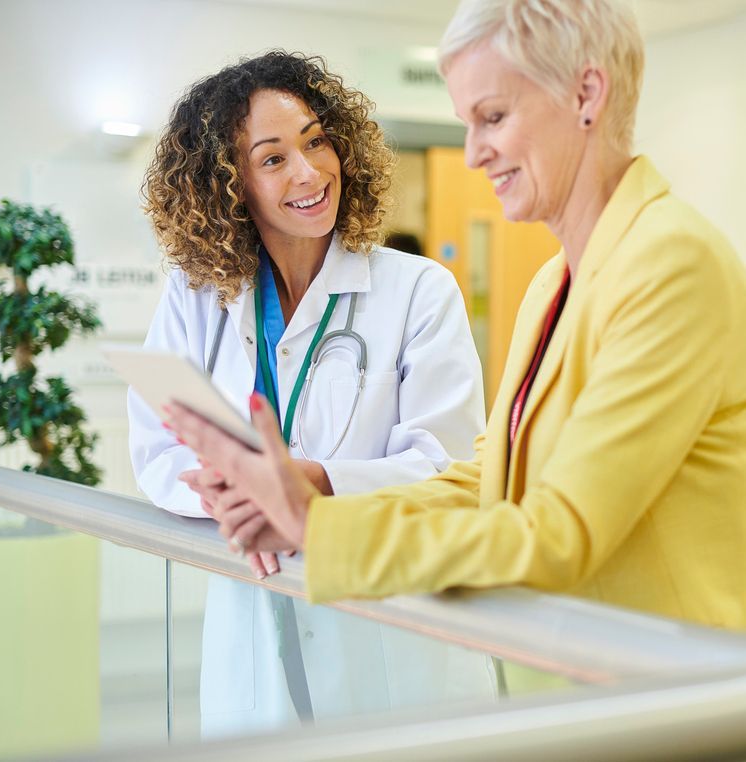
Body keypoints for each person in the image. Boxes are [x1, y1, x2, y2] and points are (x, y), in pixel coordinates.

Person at [168, 0, 746, 631]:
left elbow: (559, 534)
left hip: (667, 692)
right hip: (582, 685)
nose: (473, 154)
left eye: (492, 117)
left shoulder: (670, 264)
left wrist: (316, 529)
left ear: (587, 94)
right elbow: (489, 482)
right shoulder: (555, 282)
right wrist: (315, 498)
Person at [128, 51, 491, 736]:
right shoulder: (199, 298)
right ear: (229, 186)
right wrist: (233, 491)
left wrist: (312, 482)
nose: (308, 173)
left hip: (394, 634)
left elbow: (446, 464)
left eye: (317, 140)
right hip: (253, 616)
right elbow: (157, 443)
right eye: (272, 159)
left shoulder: (418, 291)